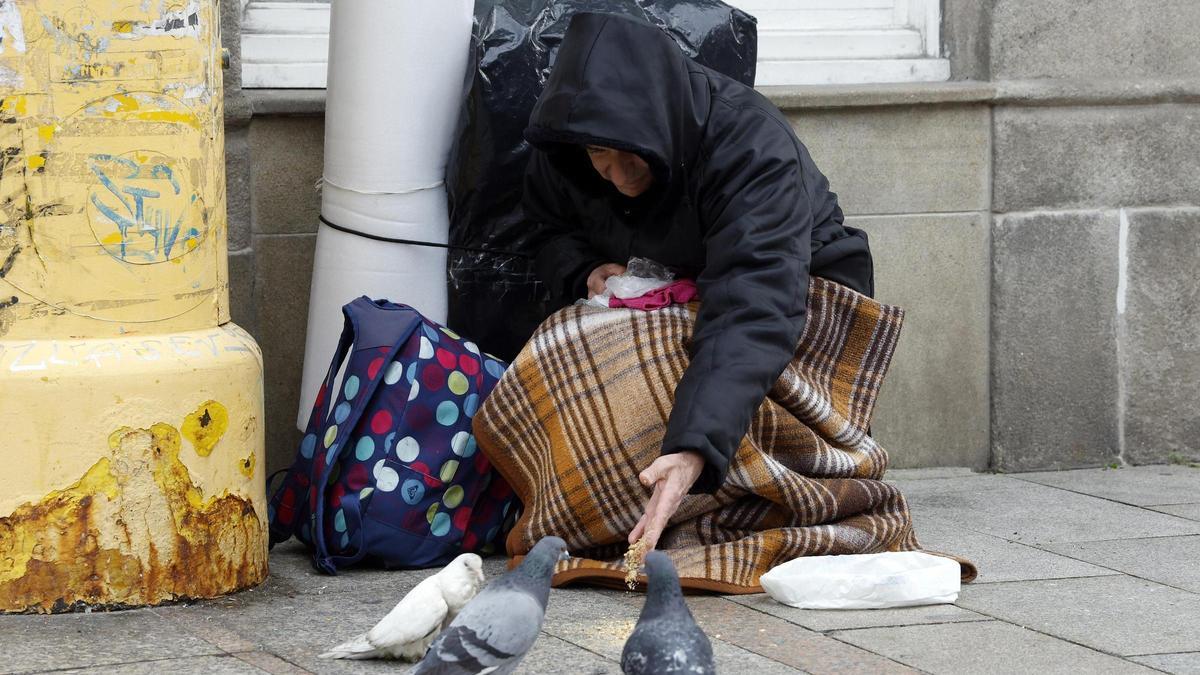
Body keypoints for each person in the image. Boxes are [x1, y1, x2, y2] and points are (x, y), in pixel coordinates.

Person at [520, 12, 874, 555]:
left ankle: (720, 483)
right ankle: (640, 494)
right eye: (598, 155)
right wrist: (582, 268)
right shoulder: (568, 153)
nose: (616, 174)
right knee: (565, 343)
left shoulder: (750, 145)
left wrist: (693, 448)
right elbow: (548, 229)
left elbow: (754, 300)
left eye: (629, 150)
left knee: (677, 381)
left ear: (659, 119)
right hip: (685, 293)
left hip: (796, 297)